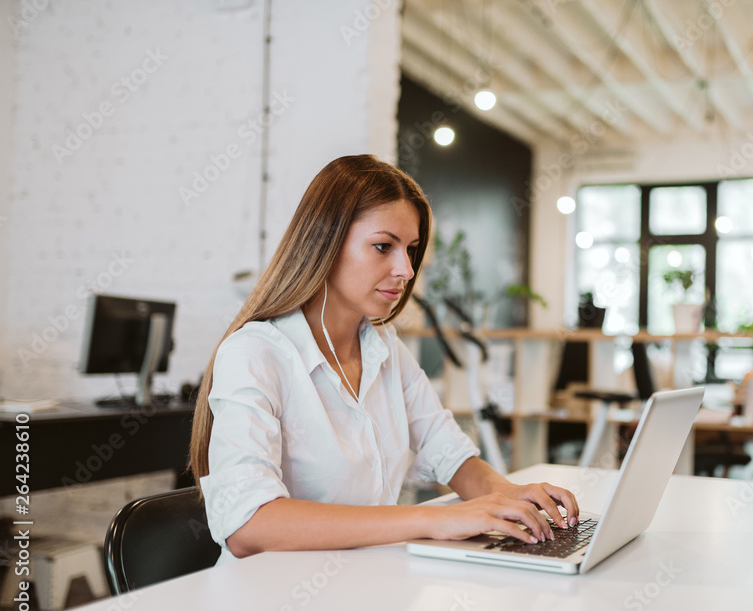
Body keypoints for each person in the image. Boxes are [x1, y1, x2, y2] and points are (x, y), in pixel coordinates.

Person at [189, 155, 578, 565]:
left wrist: (506, 495)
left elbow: (448, 452)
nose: (406, 270)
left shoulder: (384, 347)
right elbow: (248, 526)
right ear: (325, 241)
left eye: (410, 250)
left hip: (362, 585)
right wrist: (431, 520)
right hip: (269, 603)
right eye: (383, 246)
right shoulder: (255, 353)